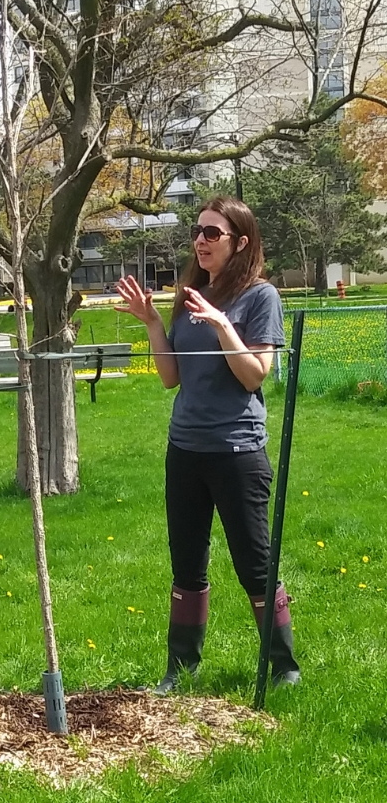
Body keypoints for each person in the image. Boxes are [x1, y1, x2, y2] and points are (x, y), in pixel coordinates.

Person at [115, 195, 301, 694]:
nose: (200, 239)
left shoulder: (259, 298)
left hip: (237, 452)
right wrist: (154, 322)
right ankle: (181, 669)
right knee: (187, 561)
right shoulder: (189, 294)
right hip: (186, 450)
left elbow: (253, 375)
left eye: (212, 233)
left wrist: (222, 326)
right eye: (198, 231)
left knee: (253, 561)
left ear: (239, 243)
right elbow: (171, 378)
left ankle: (284, 666)